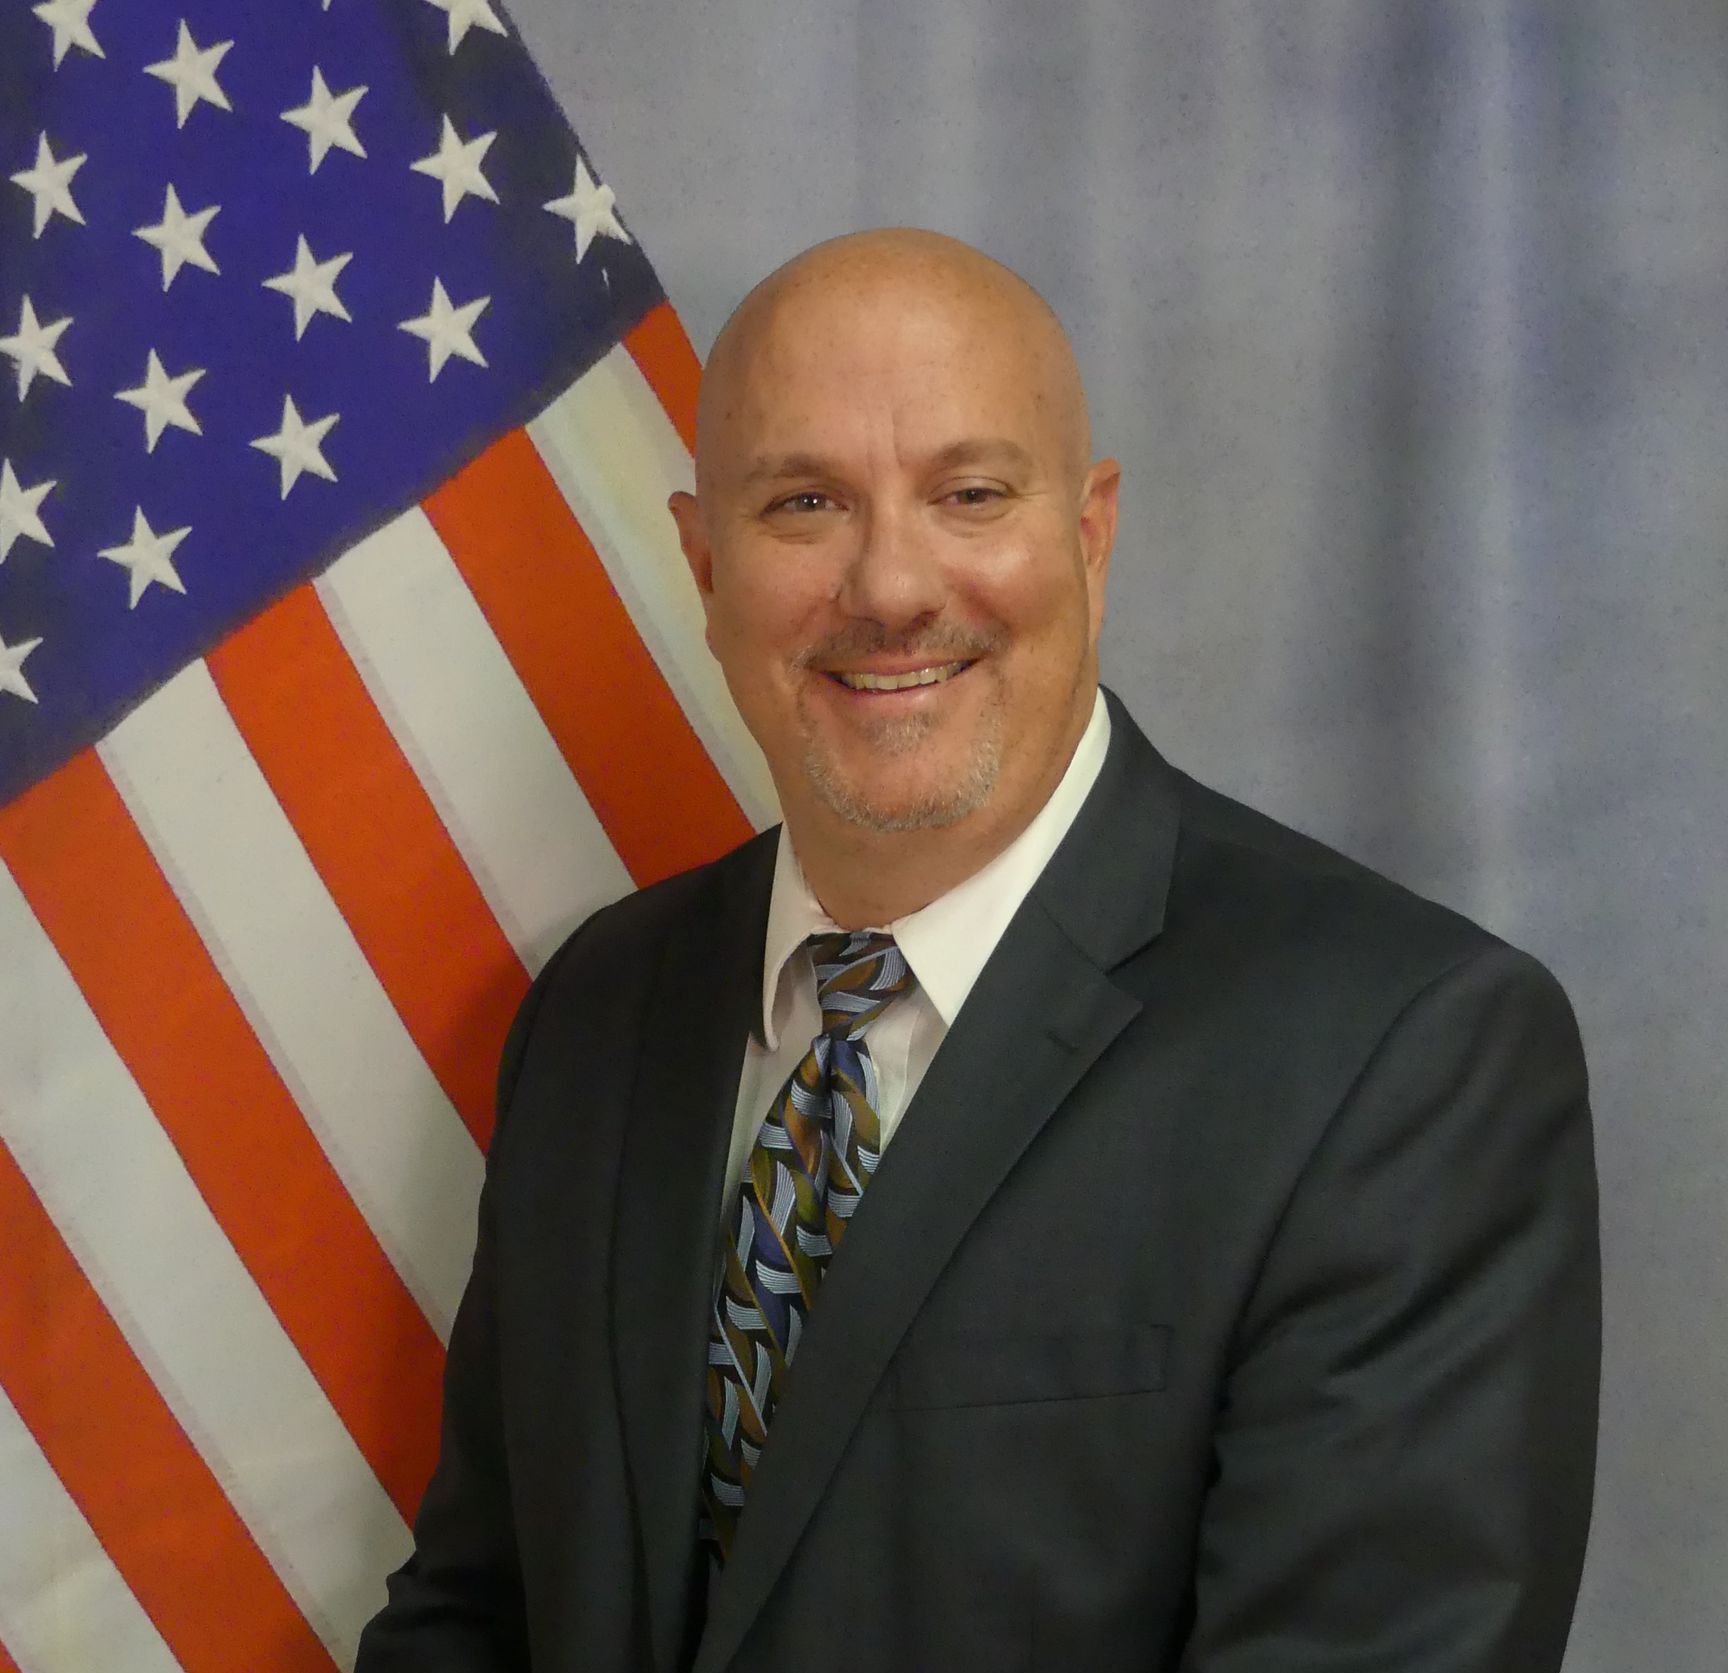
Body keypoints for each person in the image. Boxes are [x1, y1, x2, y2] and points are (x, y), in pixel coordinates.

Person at [356, 229, 1600, 1672]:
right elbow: (477, 1614)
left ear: (1091, 532)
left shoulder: (1399, 1060)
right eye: (805, 501)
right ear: (704, 564)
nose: (889, 587)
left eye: (969, 492)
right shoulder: (597, 1008)